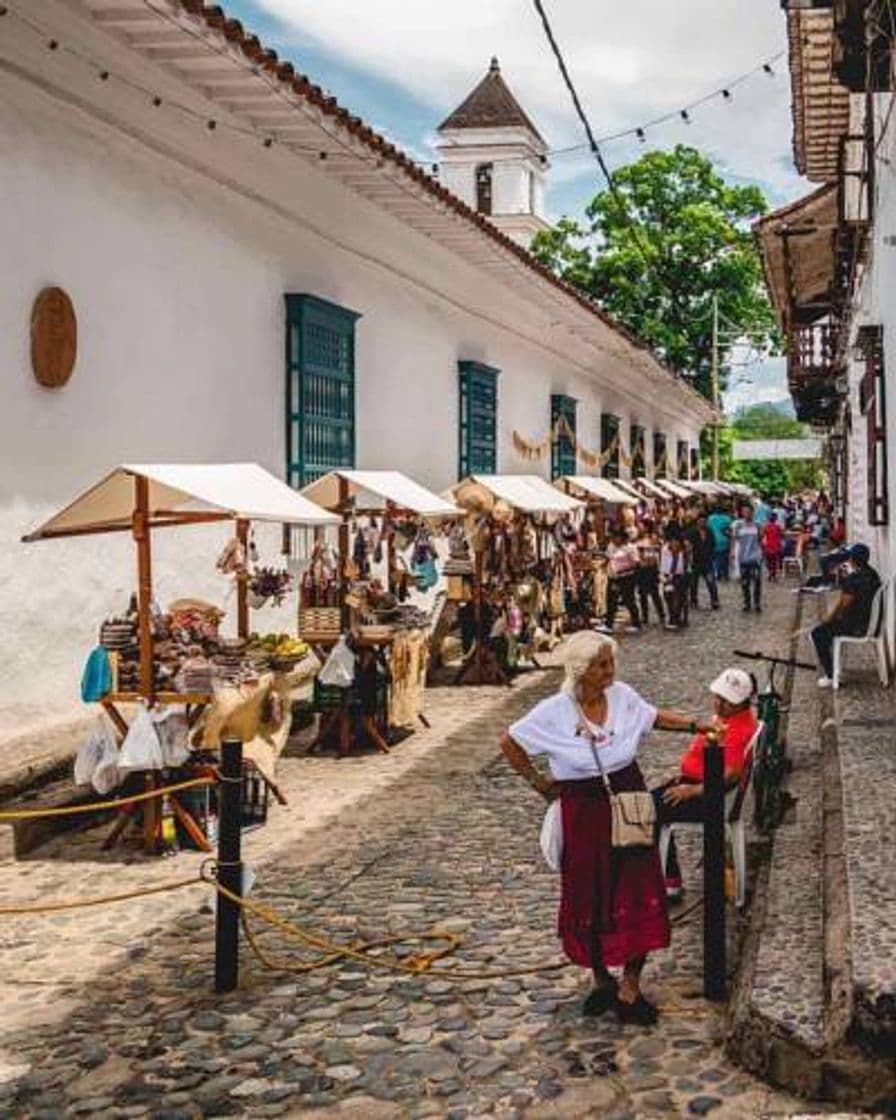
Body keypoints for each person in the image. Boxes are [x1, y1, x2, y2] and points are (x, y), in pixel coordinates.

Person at [500, 632, 713, 1024]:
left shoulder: (623, 696)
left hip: (627, 802)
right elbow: (510, 741)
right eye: (601, 665)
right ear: (581, 670)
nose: (610, 671)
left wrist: (697, 725)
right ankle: (601, 980)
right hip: (583, 812)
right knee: (588, 893)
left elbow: (653, 717)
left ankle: (631, 986)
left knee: (636, 887)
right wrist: (539, 783)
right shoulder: (553, 711)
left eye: (611, 663)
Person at [651, 668, 758, 898]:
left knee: (649, 810)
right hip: (698, 784)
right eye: (717, 698)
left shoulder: (739, 729)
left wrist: (692, 790)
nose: (719, 705)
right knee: (646, 802)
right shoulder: (731, 718)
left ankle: (670, 880)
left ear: (742, 703)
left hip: (711, 796)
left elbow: (729, 774)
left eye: (727, 701)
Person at [812, 543, 882, 687]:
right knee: (829, 629)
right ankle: (835, 667)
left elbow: (844, 603)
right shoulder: (873, 574)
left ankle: (831, 675)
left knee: (818, 633)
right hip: (871, 623)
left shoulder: (854, 578)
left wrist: (829, 618)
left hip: (857, 626)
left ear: (851, 559)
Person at [604, 528, 641, 634]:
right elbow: (608, 558)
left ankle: (636, 623)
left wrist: (625, 569)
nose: (614, 540)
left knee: (629, 600)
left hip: (626, 577)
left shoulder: (630, 548)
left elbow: (636, 564)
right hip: (613, 577)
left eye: (617, 537)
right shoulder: (611, 546)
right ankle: (608, 624)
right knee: (611, 600)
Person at [634, 520, 665, 626]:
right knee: (642, 594)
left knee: (654, 593)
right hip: (641, 569)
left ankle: (662, 614)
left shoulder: (653, 538)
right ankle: (645, 616)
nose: (639, 528)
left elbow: (658, 550)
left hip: (651, 569)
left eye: (640, 526)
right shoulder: (636, 539)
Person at [733, 505, 763, 613]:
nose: (747, 514)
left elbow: (760, 540)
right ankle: (747, 603)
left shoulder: (758, 525)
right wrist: (733, 554)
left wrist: (760, 554)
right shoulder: (738, 525)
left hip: (755, 558)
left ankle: (757, 603)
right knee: (745, 583)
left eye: (749, 512)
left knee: (757, 582)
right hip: (743, 558)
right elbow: (735, 540)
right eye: (745, 512)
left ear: (752, 513)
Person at [686, 516, 719, 610]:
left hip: (707, 561)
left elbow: (713, 543)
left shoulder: (709, 532)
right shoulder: (691, 532)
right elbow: (687, 544)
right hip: (695, 561)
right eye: (700, 521)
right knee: (693, 583)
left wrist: (712, 555)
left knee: (711, 581)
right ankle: (693, 600)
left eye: (704, 521)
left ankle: (714, 600)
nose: (702, 523)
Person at [660, 536, 689, 629]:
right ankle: (673, 616)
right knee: (668, 597)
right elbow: (663, 563)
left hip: (679, 577)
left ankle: (675, 618)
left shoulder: (683, 553)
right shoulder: (665, 551)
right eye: (672, 542)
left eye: (676, 542)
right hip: (667, 576)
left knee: (678, 598)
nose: (674, 544)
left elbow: (686, 566)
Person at [706, 505, 733, 581]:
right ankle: (725, 574)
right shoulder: (727, 518)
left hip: (713, 540)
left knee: (716, 559)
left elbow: (708, 528)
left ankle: (718, 574)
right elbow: (729, 530)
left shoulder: (710, 518)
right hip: (724, 541)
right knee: (725, 559)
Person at [763, 512, 784, 582]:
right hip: (775, 547)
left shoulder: (766, 527)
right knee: (774, 562)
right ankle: (773, 575)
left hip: (768, 547)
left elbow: (763, 536)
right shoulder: (778, 527)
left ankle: (770, 573)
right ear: (776, 519)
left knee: (768, 561)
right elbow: (781, 535)